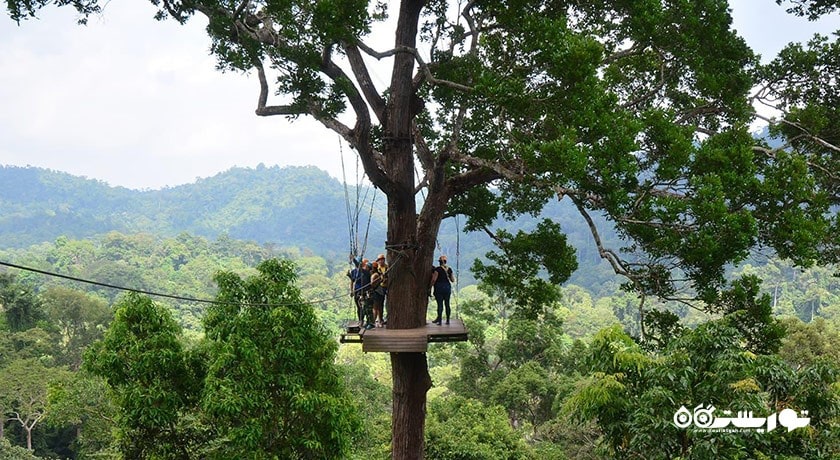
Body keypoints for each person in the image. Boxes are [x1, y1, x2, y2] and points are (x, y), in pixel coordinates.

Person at [429, 254, 455, 325]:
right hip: (447, 288)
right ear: (445, 262)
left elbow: (434, 280)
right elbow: (452, 280)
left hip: (439, 288)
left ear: (439, 262)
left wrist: (430, 287)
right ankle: (447, 320)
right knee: (447, 304)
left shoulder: (437, 269)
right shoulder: (449, 269)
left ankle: (440, 321)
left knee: (440, 304)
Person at [349, 258, 368, 323]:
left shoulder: (364, 271)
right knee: (358, 306)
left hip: (363, 291)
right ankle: (360, 320)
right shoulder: (353, 272)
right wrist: (351, 291)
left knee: (362, 306)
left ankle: (362, 319)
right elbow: (352, 281)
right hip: (356, 290)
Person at [371, 261, 386, 327]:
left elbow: (372, 284)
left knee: (376, 307)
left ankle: (375, 321)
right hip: (379, 292)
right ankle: (379, 320)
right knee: (379, 307)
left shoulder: (375, 275)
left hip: (377, 292)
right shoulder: (378, 274)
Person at [375, 253, 388, 324]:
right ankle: (380, 318)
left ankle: (387, 317)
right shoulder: (377, 268)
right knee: (380, 303)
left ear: (383, 260)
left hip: (387, 286)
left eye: (381, 260)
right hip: (380, 287)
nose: (380, 261)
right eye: (379, 260)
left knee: (387, 302)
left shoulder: (387, 267)